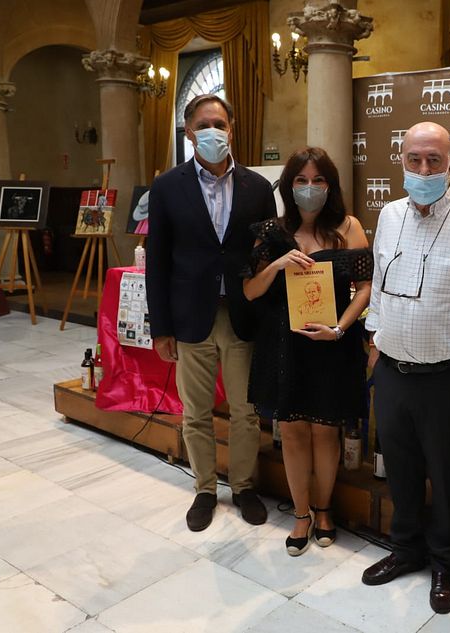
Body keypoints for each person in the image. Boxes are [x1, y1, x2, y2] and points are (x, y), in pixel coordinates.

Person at [362, 122, 450, 615]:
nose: (423, 169)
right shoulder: (389, 214)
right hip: (392, 370)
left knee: (446, 472)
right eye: (414, 160)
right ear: (401, 161)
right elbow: (378, 282)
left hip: (446, 376)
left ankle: (444, 562)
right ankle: (405, 549)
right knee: (400, 469)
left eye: (433, 161)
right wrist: (373, 341)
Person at [147, 94, 277, 532]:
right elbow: (158, 261)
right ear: (189, 131)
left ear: (232, 128)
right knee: (196, 411)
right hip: (189, 317)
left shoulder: (258, 188)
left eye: (220, 124)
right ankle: (205, 488)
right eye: (204, 125)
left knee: (245, 410)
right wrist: (160, 327)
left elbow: (267, 255)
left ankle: (242, 486)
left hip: (241, 314)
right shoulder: (167, 187)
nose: (213, 132)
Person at [243, 147, 371, 556]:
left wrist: (340, 328)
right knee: (294, 431)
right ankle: (301, 515)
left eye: (318, 180)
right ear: (288, 185)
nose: (310, 188)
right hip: (285, 343)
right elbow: (250, 291)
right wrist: (277, 265)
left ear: (330, 186)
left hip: (332, 343)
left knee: (326, 430)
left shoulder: (348, 227)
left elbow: (367, 288)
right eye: (301, 180)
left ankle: (325, 509)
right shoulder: (272, 230)